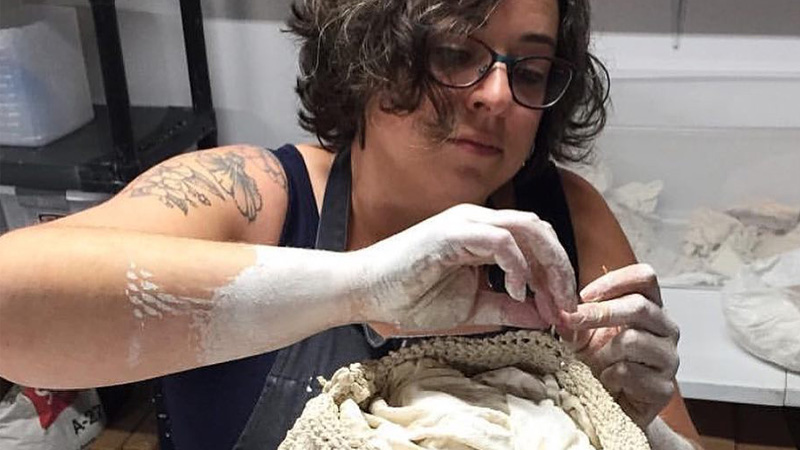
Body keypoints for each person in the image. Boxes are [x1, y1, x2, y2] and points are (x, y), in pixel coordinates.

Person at [0, 0, 703, 448]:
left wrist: (636, 423)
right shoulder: (257, 197)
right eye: (454, 52)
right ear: (367, 52)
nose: (497, 94)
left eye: (530, 69)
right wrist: (359, 285)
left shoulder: (568, 217)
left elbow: (672, 437)